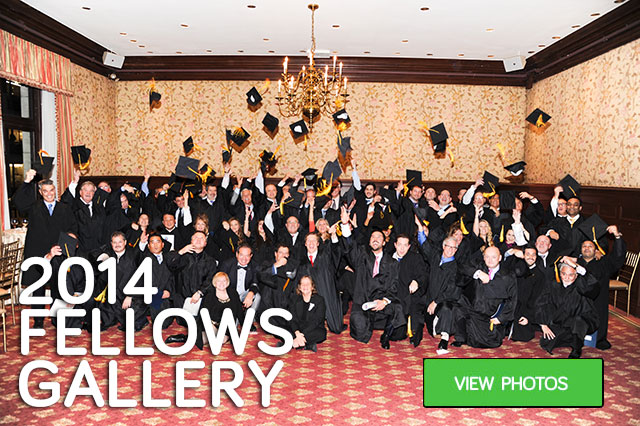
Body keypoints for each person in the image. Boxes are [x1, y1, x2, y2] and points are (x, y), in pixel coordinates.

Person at [13, 171, 77, 328]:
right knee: (38, 289)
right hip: (38, 254)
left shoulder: (64, 208)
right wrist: (27, 181)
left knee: (58, 288)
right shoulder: (34, 207)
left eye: (52, 190)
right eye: (46, 191)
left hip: (58, 253)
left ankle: (57, 319)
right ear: (41, 193)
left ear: (55, 191)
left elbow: (73, 227)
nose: (49, 194)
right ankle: (38, 321)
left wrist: (72, 235)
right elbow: (18, 202)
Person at [339, 207, 404, 349]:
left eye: (379, 237)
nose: (375, 239)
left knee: (397, 310)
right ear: (369, 242)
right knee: (359, 329)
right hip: (364, 302)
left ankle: (385, 336)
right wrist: (345, 225)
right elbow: (350, 247)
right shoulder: (361, 256)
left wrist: (384, 301)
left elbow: (394, 286)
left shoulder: (392, 263)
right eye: (373, 237)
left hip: (381, 303)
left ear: (384, 242)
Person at [455, 246, 517, 348]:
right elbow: (462, 267)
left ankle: (472, 334)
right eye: (487, 257)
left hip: (490, 316)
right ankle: (461, 338)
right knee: (459, 305)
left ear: (500, 258)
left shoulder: (508, 275)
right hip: (473, 309)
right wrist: (478, 273)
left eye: (493, 257)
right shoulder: (479, 266)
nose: (490, 260)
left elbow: (512, 300)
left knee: (490, 342)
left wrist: (501, 318)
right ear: (483, 257)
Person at [575, 225, 626, 349]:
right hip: (578, 302)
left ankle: (598, 338)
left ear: (596, 250)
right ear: (580, 250)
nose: (587, 248)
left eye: (590, 246)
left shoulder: (604, 263)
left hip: (598, 301)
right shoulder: (575, 263)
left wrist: (617, 236)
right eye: (584, 246)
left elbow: (618, 257)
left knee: (599, 317)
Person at [535, 259, 599, 358]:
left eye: (571, 275)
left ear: (576, 275)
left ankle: (576, 349)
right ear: (559, 273)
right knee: (546, 341)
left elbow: (593, 287)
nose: (567, 278)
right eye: (564, 274)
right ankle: (576, 338)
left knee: (578, 322)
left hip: (583, 320)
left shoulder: (581, 285)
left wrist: (579, 269)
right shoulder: (553, 285)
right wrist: (543, 324)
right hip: (563, 322)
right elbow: (541, 303)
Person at [416, 219, 461, 351]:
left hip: (444, 301)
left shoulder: (455, 267)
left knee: (447, 309)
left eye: (454, 248)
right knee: (432, 331)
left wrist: (436, 302)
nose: (451, 250)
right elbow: (425, 245)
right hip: (429, 299)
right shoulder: (435, 257)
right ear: (443, 246)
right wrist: (420, 229)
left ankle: (444, 340)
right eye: (449, 246)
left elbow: (451, 290)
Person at [298, 231, 345, 334]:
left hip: (327, 292)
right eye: (308, 241)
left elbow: (336, 252)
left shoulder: (325, 256)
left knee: (336, 328)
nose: (311, 243)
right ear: (305, 244)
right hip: (310, 295)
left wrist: (333, 236)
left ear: (318, 243)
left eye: (314, 241)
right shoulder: (301, 260)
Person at [168, 230, 217, 320]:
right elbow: (170, 265)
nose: (198, 240)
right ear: (191, 241)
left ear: (205, 243)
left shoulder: (210, 261)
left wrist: (200, 292)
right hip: (181, 297)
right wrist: (181, 252)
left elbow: (211, 279)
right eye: (196, 237)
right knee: (183, 321)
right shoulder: (182, 256)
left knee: (199, 321)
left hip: (201, 297)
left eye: (201, 238)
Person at [390, 234, 428, 347]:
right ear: (395, 245)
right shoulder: (388, 258)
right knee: (397, 335)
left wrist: (417, 281)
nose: (402, 248)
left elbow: (423, 275)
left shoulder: (415, 258)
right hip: (393, 297)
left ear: (409, 246)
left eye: (405, 245)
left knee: (414, 332)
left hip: (410, 296)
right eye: (399, 245)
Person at [195, 272, 243, 349]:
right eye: (219, 281)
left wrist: (245, 325)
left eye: (224, 281)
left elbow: (239, 310)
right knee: (202, 340)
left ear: (227, 282)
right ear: (215, 283)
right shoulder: (209, 295)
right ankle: (186, 337)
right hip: (211, 325)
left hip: (226, 327)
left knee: (221, 340)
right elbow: (203, 313)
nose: (222, 283)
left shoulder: (233, 293)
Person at [218, 243, 261, 329]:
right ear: (237, 254)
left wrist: (251, 293)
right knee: (232, 327)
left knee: (257, 296)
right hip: (230, 294)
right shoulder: (227, 264)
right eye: (241, 255)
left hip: (244, 294)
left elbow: (255, 282)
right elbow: (220, 283)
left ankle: (248, 322)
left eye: (247, 255)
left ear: (251, 256)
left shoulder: (255, 266)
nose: (244, 259)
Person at [290, 275, 327, 352]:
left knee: (321, 334)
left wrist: (302, 334)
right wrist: (297, 332)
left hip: (312, 328)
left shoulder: (319, 300)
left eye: (307, 284)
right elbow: (293, 318)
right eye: (303, 284)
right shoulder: (294, 299)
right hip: (298, 328)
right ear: (299, 287)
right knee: (285, 328)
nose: (305, 286)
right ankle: (306, 345)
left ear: (312, 287)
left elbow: (317, 321)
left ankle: (291, 344)